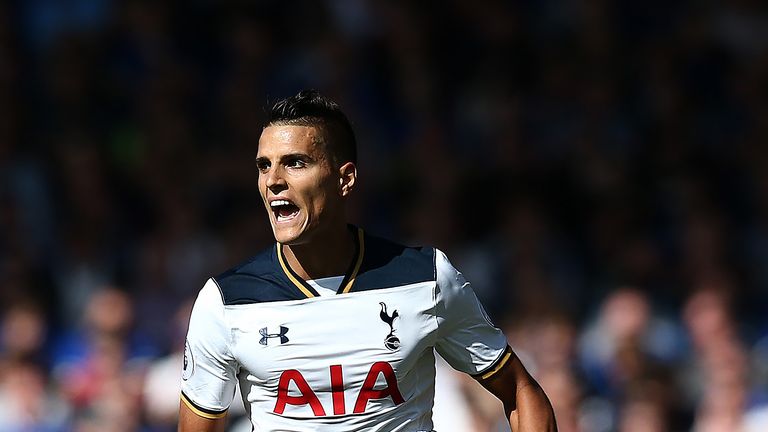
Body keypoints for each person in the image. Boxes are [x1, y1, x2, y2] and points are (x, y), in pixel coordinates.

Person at [178, 90, 557, 432]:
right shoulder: (225, 302)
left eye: (294, 163)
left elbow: (522, 392)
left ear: (345, 178)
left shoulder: (425, 278)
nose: (273, 180)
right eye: (264, 165)